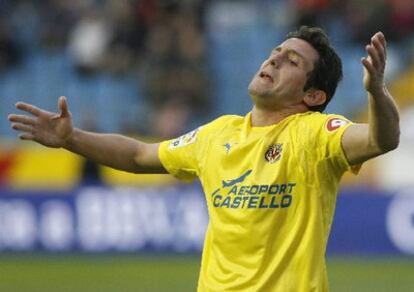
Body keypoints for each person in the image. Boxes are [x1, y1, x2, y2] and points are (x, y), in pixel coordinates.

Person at [8, 26, 400, 291]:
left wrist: (376, 93)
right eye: (275, 52)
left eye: (292, 61)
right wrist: (72, 137)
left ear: (313, 96)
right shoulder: (218, 134)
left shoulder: (314, 134)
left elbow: (382, 139)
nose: (274, 60)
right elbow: (140, 154)